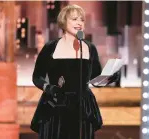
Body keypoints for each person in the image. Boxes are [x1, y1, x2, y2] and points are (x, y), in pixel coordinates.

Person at [30, 4, 103, 139]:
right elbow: (37, 76)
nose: (79, 23)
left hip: (82, 107)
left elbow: (96, 78)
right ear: (64, 21)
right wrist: (48, 87)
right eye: (74, 19)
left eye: (81, 20)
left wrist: (109, 78)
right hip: (56, 104)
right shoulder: (50, 47)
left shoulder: (90, 48)